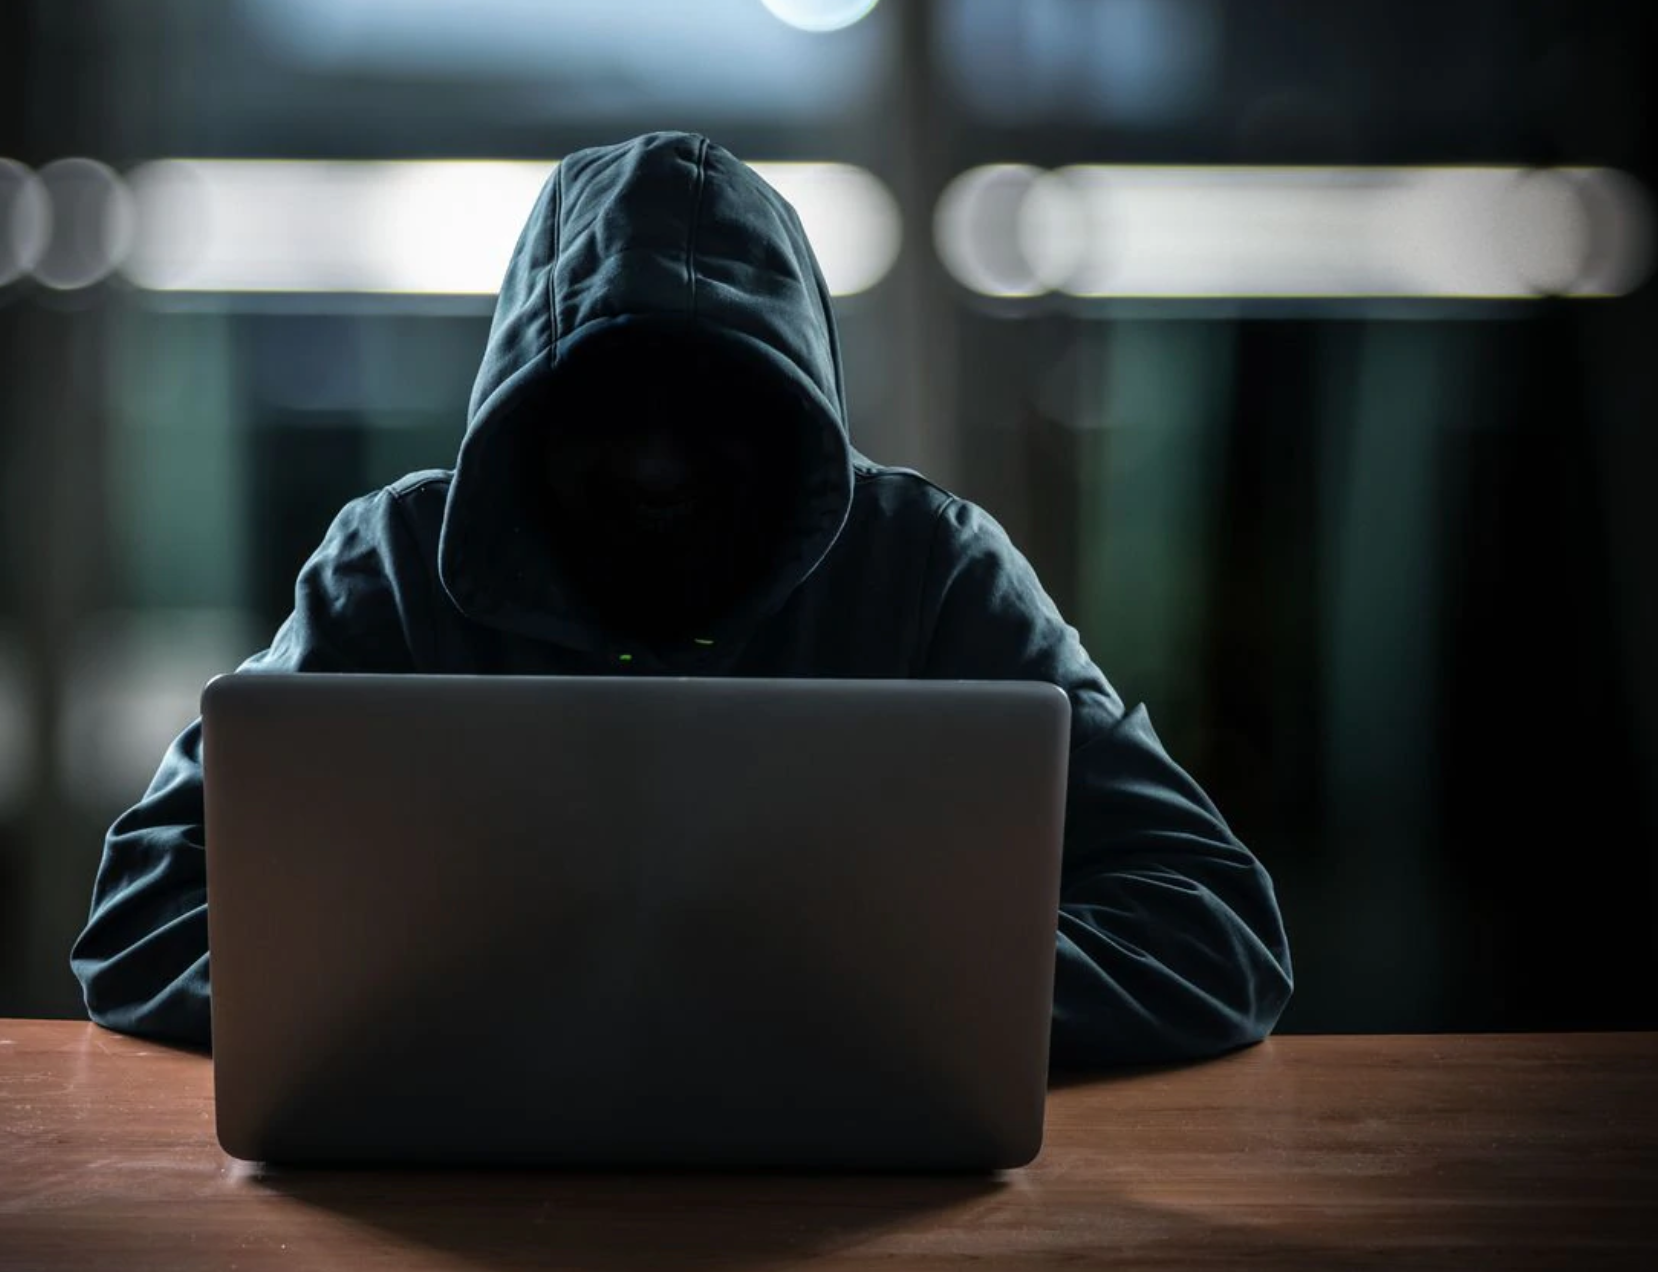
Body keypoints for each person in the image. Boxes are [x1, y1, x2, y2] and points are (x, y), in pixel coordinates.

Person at [72, 132, 1292, 1066]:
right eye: (609, 407)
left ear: (801, 427)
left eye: (715, 413)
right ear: (520, 425)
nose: (657, 464)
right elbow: (141, 924)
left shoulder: (929, 572)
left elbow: (1216, 928)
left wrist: (818, 1014)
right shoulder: (392, 568)